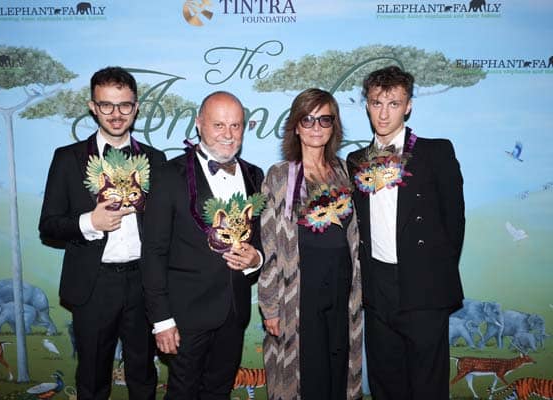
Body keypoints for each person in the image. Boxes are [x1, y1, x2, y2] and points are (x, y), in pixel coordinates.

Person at [39, 66, 165, 400]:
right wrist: (89, 223)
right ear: (92, 107)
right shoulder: (67, 159)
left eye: (124, 105)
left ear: (136, 107)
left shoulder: (156, 160)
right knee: (92, 378)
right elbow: (49, 224)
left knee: (143, 374)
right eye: (106, 105)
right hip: (93, 285)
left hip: (144, 284)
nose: (116, 114)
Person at [346, 65, 465, 400]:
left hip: (424, 287)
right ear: (366, 104)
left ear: (408, 105)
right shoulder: (355, 161)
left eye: (393, 104)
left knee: (427, 386)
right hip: (376, 287)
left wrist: (432, 272)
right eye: (376, 103)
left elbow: (454, 223)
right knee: (385, 383)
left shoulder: (436, 152)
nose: (383, 113)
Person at [142, 91, 264, 399]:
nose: (228, 134)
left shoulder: (254, 175)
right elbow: (153, 252)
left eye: (235, 126)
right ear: (199, 124)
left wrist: (256, 260)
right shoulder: (169, 175)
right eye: (218, 125)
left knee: (218, 393)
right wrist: (162, 320)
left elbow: (259, 238)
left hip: (234, 314)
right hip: (185, 317)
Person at [258, 88, 363, 400]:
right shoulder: (279, 176)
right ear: (295, 125)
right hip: (299, 290)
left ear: (334, 126)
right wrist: (270, 306)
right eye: (308, 119)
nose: (316, 127)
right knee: (307, 373)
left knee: (339, 368)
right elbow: (269, 245)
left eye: (325, 119)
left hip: (343, 290)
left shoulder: (346, 171)